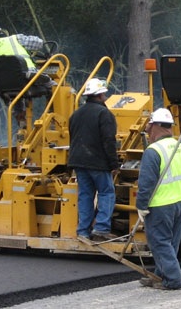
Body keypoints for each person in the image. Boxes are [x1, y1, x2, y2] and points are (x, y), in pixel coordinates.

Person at [135, 108, 181, 290]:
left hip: (161, 204)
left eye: (150, 128)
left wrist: (141, 205)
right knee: (171, 242)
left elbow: (146, 183)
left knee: (159, 242)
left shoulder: (153, 151)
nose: (148, 132)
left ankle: (173, 279)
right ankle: (161, 274)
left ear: (156, 127)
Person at [68, 78, 119, 242]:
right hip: (98, 162)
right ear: (100, 95)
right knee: (106, 192)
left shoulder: (75, 114)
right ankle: (101, 228)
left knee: (85, 195)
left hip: (78, 161)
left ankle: (83, 230)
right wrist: (114, 164)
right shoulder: (104, 114)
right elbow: (109, 140)